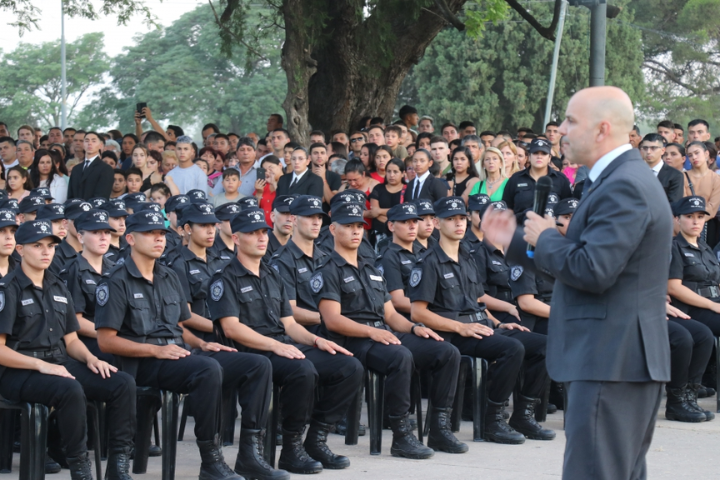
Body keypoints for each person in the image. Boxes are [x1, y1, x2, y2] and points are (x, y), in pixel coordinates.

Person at [485, 86, 672, 480]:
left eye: (570, 121)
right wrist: (516, 242)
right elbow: (584, 263)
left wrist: (546, 237)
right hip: (614, 359)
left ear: (602, 129)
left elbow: (593, 270)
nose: (561, 131)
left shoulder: (624, 185)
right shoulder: (614, 179)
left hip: (611, 359)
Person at [207, 206, 363, 473]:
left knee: (349, 366)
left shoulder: (272, 275)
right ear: (235, 238)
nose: (261, 238)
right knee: (301, 370)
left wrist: (316, 341)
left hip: (280, 346)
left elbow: (289, 324)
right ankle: (289, 447)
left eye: (263, 233)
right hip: (250, 352)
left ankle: (315, 439)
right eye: (252, 233)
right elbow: (231, 329)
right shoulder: (224, 279)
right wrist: (275, 345)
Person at [95, 211, 244, 480]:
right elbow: (106, 342)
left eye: (162, 234)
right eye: (150, 234)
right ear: (130, 238)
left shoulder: (169, 275)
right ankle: (210, 458)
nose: (158, 239)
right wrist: (155, 350)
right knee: (207, 371)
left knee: (219, 363)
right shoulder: (116, 280)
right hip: (138, 363)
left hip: (172, 355)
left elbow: (179, 327)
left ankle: (212, 458)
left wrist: (201, 343)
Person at [314, 202, 466, 458]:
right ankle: (401, 433)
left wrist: (414, 327)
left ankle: (439, 427)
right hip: (352, 340)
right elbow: (332, 321)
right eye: (348, 226)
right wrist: (371, 332)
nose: (355, 232)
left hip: (382, 334)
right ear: (332, 229)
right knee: (400, 356)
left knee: (446, 351)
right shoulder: (327, 269)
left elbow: (391, 315)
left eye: (358, 227)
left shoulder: (371, 268)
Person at [409, 197, 553, 443]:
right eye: (450, 219)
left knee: (545, 346)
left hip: (482, 326)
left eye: (461, 219)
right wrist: (460, 327)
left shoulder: (467, 256)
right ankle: (492, 420)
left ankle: (522, 415)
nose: (458, 224)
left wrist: (498, 323)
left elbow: (476, 302)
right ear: (436, 223)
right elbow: (418, 313)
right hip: (454, 333)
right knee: (512, 349)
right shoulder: (428, 262)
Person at [0, 219, 136, 480]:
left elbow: (71, 340)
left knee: (122, 383)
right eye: (37, 246)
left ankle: (118, 466)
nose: (45, 252)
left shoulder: (58, 286)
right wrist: (41, 366)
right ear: (20, 250)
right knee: (70, 388)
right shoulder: (8, 289)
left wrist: (91, 359)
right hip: (19, 370)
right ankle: (80, 469)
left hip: (58, 362)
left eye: (50, 246)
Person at [163, 203, 287, 480]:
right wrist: (225, 324)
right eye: (203, 225)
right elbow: (184, 319)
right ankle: (214, 457)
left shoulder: (220, 261)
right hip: (205, 341)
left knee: (269, 363)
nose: (211, 230)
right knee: (236, 364)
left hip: (221, 340)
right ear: (185, 230)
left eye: (213, 224)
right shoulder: (176, 266)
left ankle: (255, 448)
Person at [59, 209, 118, 363]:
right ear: (80, 237)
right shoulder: (72, 270)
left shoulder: (115, 269)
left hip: (117, 334)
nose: (103, 237)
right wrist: (112, 336)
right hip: (89, 339)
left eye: (107, 232)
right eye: (96, 232)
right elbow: (75, 321)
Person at [270, 196, 328, 335]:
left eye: (319, 217)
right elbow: (289, 310)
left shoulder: (325, 258)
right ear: (294, 220)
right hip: (307, 333)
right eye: (309, 217)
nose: (316, 222)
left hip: (334, 328)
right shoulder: (282, 260)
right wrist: (331, 318)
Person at [502, 138, 572, 221]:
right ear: (529, 156)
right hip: (520, 229)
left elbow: (567, 208)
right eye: (535, 153)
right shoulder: (516, 179)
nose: (539, 156)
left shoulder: (561, 179)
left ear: (549, 158)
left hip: (550, 230)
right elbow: (506, 207)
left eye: (543, 153)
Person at [67, 132, 115, 200]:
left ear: (100, 145)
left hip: (95, 209)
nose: (89, 143)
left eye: (93, 141)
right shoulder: (76, 169)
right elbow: (70, 195)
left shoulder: (106, 169)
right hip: (75, 209)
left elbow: (102, 196)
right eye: (86, 141)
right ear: (83, 145)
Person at [49, 201, 93, 275]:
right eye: (78, 220)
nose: (84, 225)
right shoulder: (55, 256)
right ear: (65, 223)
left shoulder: (98, 251)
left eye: (89, 221)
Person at [639, 133, 684, 203]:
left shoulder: (675, 175)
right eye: (645, 148)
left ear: (663, 150)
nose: (648, 152)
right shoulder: (635, 172)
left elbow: (674, 204)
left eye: (653, 148)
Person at [369, 158, 406, 238]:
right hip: (379, 232)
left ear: (403, 173)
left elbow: (405, 211)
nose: (391, 175)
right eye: (389, 171)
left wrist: (380, 211)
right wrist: (396, 215)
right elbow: (374, 213)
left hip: (401, 233)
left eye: (395, 172)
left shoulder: (408, 189)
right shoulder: (378, 188)